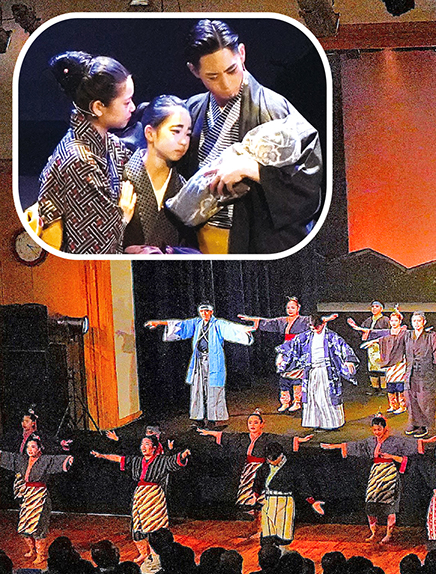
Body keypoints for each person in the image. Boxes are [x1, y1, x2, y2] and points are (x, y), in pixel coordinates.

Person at [180, 19, 323, 253]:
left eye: (231, 70)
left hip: (252, 242)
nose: (226, 84)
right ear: (194, 71)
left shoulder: (275, 109)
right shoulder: (191, 109)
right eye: (213, 77)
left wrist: (255, 170)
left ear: (242, 54)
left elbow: (307, 183)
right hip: (199, 241)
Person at [38, 51, 137, 254]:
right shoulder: (79, 161)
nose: (133, 108)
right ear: (98, 107)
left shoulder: (108, 142)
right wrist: (123, 216)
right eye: (126, 102)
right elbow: (93, 248)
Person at [321, 416, 435, 544]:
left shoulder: (395, 441)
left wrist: (425, 442)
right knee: (370, 502)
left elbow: (410, 446)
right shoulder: (370, 441)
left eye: (379, 429)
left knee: (389, 504)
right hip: (375, 473)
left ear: (385, 428)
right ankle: (374, 532)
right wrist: (333, 446)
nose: (377, 432)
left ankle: (388, 534)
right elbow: (355, 446)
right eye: (374, 430)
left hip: (389, 473)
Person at [146, 303, 254, 426]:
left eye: (207, 311)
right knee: (197, 388)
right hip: (199, 359)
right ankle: (198, 418)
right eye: (202, 311)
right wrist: (159, 323)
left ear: (211, 312)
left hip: (213, 360)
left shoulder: (218, 324)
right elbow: (181, 325)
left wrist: (243, 329)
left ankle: (213, 419)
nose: (204, 314)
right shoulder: (197, 323)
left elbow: (230, 328)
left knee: (213, 389)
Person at [90, 435, 191, 564]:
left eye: (147, 444)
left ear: (154, 448)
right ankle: (143, 553)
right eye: (142, 444)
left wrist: (184, 454)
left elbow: (174, 460)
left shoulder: (161, 460)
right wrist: (101, 455)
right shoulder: (137, 460)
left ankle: (156, 555)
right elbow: (119, 459)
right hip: (140, 494)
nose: (143, 447)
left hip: (153, 495)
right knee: (137, 525)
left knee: (154, 525)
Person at [371, 312, 436, 438]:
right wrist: (376, 342)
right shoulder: (407, 335)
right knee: (410, 399)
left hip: (424, 373)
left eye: (419, 321)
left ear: (424, 322)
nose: (416, 323)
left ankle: (425, 426)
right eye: (414, 321)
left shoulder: (430, 336)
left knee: (425, 400)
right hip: (410, 372)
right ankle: (414, 423)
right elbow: (392, 340)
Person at [196, 409, 309, 517]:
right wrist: (209, 432)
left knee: (262, 488)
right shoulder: (243, 437)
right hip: (248, 468)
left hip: (262, 467)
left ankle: (261, 508)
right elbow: (227, 437)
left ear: (262, 424)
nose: (252, 425)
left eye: (256, 422)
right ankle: (248, 508)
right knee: (246, 489)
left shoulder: (267, 437)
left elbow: (283, 440)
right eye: (250, 423)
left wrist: (299, 440)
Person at [239, 297, 336, 412]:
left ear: (298, 308)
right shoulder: (283, 320)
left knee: (297, 376)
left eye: (293, 307)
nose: (290, 310)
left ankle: (297, 401)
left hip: (299, 349)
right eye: (288, 308)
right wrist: (252, 319)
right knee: (283, 375)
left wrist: (327, 319)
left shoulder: (305, 320)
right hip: (286, 348)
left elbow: (317, 321)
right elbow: (270, 322)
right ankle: (285, 402)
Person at [121, 95, 190, 250]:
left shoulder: (183, 188)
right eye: (176, 131)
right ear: (150, 133)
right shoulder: (120, 178)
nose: (183, 141)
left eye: (187, 134)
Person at [276, 313, 359, 431]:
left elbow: (344, 347)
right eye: (312, 327)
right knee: (313, 398)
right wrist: (281, 354)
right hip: (312, 372)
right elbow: (292, 344)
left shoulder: (331, 336)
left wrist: (349, 361)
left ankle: (331, 424)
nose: (314, 329)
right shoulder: (306, 336)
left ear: (323, 324)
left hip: (326, 372)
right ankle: (315, 423)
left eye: (316, 326)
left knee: (325, 397)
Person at [0, 436, 73, 564]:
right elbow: (10, 458)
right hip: (28, 495)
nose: (30, 449)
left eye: (33, 447)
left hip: (40, 496)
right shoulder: (22, 460)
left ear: (39, 449)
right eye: (28, 447)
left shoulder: (45, 460)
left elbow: (57, 460)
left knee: (38, 527)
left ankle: (41, 554)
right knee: (23, 528)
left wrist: (69, 460)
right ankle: (32, 550)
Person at [252, 442, 325, 546]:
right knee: (267, 533)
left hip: (284, 502)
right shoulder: (265, 467)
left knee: (283, 534)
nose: (270, 461)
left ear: (281, 455)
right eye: (268, 459)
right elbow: (258, 482)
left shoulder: (292, 468)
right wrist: (255, 495)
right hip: (268, 501)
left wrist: (312, 502)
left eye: (273, 459)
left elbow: (302, 486)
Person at [350, 309, 409, 414]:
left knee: (399, 385)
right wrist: (358, 329)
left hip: (400, 361)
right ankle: (393, 405)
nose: (394, 322)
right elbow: (375, 333)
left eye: (396, 320)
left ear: (400, 321)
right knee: (390, 385)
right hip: (389, 361)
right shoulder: (387, 332)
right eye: (392, 320)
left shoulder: (404, 333)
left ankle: (402, 406)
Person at [355, 302, 390, 397]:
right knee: (372, 367)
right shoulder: (368, 320)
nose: (374, 308)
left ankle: (384, 388)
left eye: (377, 307)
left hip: (382, 346)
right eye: (373, 307)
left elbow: (389, 333)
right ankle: (375, 388)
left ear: (381, 309)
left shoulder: (386, 320)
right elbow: (362, 331)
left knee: (382, 367)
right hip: (371, 347)